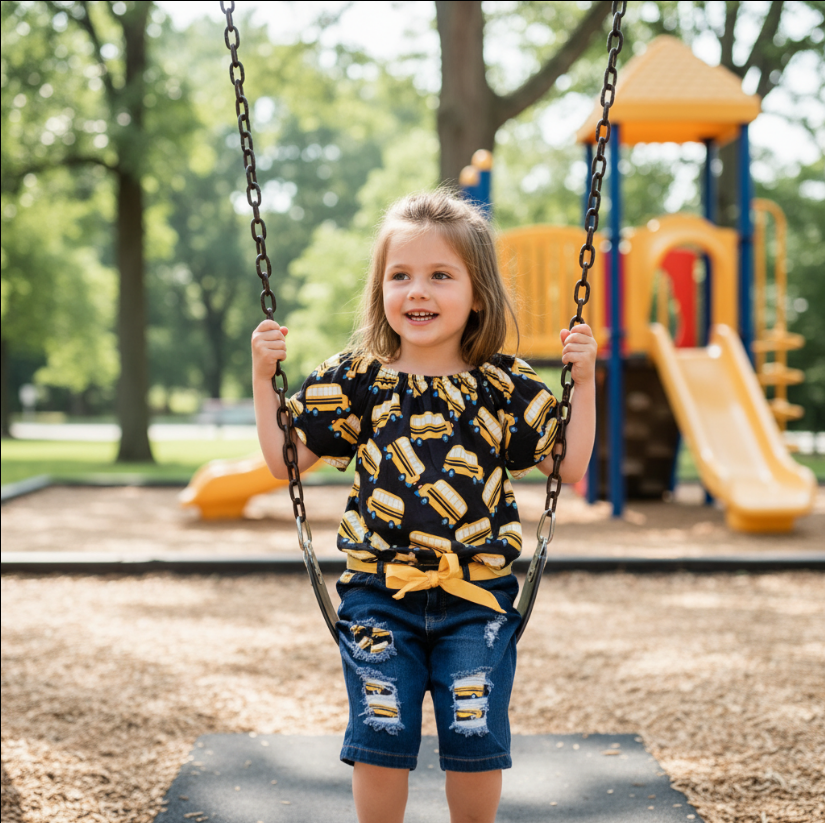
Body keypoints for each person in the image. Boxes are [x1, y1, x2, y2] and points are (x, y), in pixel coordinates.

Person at [251, 190, 596, 823]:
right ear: (380, 289)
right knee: (380, 739)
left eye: (441, 276)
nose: (418, 291)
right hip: (379, 592)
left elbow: (567, 465)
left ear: (477, 294)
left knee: (475, 739)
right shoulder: (357, 380)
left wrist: (585, 381)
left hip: (479, 597)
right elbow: (285, 463)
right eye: (400, 276)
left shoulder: (504, 386)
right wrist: (261, 372)